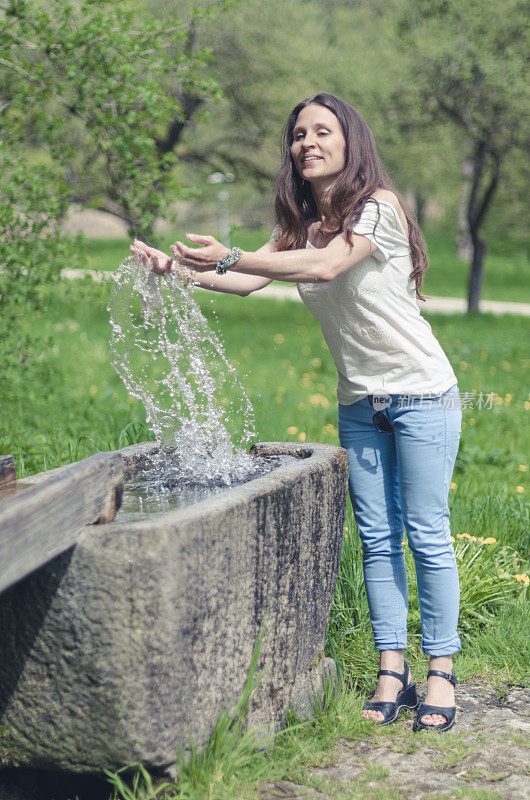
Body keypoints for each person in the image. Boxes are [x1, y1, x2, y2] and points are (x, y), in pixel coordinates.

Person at [133, 92, 462, 732]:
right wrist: (175, 268)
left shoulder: (379, 209)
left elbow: (326, 265)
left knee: (426, 534)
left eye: (322, 131)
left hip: (422, 393)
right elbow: (249, 279)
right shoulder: (300, 221)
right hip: (360, 402)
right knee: (375, 538)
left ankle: (442, 672)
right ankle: (391, 671)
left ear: (351, 142)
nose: (306, 142)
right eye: (298, 134)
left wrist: (228, 252)